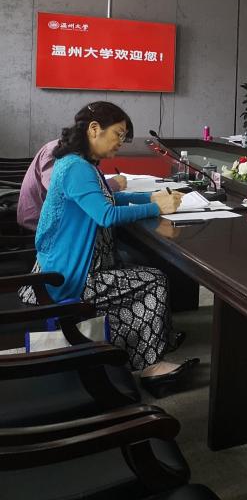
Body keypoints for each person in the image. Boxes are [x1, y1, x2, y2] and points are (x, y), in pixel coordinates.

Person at [19, 102, 197, 392]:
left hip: (66, 269)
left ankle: (148, 345)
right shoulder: (77, 168)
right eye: (118, 134)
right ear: (94, 129)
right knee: (154, 281)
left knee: (137, 271)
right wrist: (156, 208)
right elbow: (106, 215)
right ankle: (152, 367)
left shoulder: (78, 162)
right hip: (66, 279)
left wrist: (152, 198)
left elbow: (108, 200)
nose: (120, 143)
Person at [19, 139, 128, 231]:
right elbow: (61, 191)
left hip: (58, 216)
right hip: (41, 222)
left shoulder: (76, 152)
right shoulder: (56, 152)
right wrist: (110, 185)